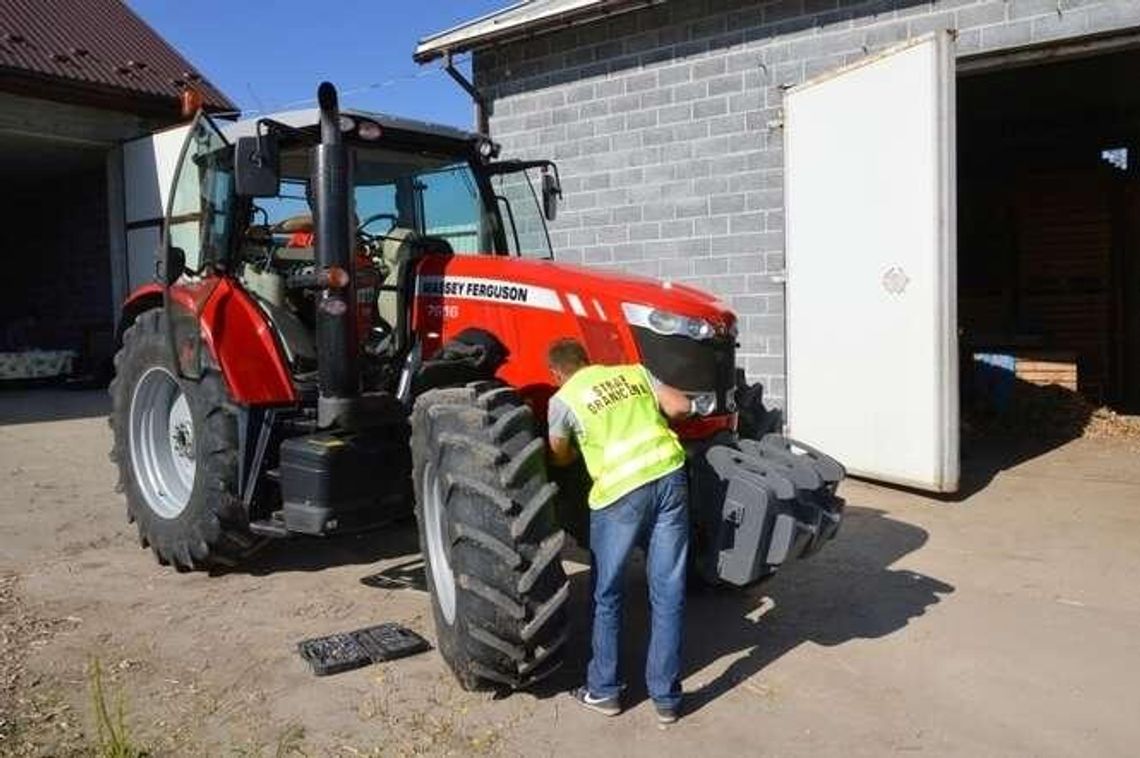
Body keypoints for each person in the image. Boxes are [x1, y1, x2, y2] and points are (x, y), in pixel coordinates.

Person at [545, 337, 694, 724]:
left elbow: (560, 455)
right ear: (589, 359)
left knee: (607, 593)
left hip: (619, 495)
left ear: (557, 373)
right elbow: (679, 406)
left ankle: (605, 691)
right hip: (669, 478)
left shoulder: (563, 400)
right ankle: (667, 700)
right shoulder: (634, 372)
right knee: (668, 589)